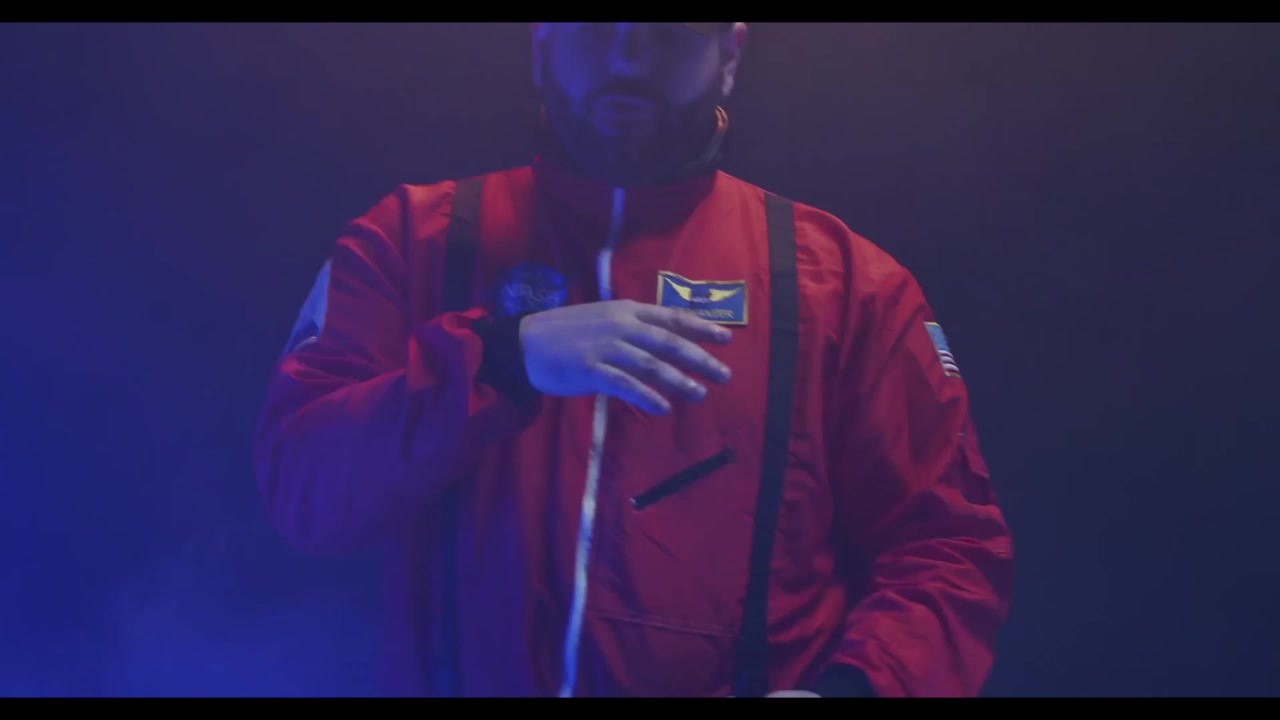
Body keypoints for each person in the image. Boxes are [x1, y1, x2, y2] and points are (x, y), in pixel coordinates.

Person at [253, 22, 1014, 698]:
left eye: (666, 32)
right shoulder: (411, 239)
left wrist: (851, 693)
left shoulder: (848, 286)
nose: (625, 60)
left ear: (730, 56)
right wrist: (503, 359)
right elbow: (303, 489)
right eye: (594, 29)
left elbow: (948, 548)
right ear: (541, 43)